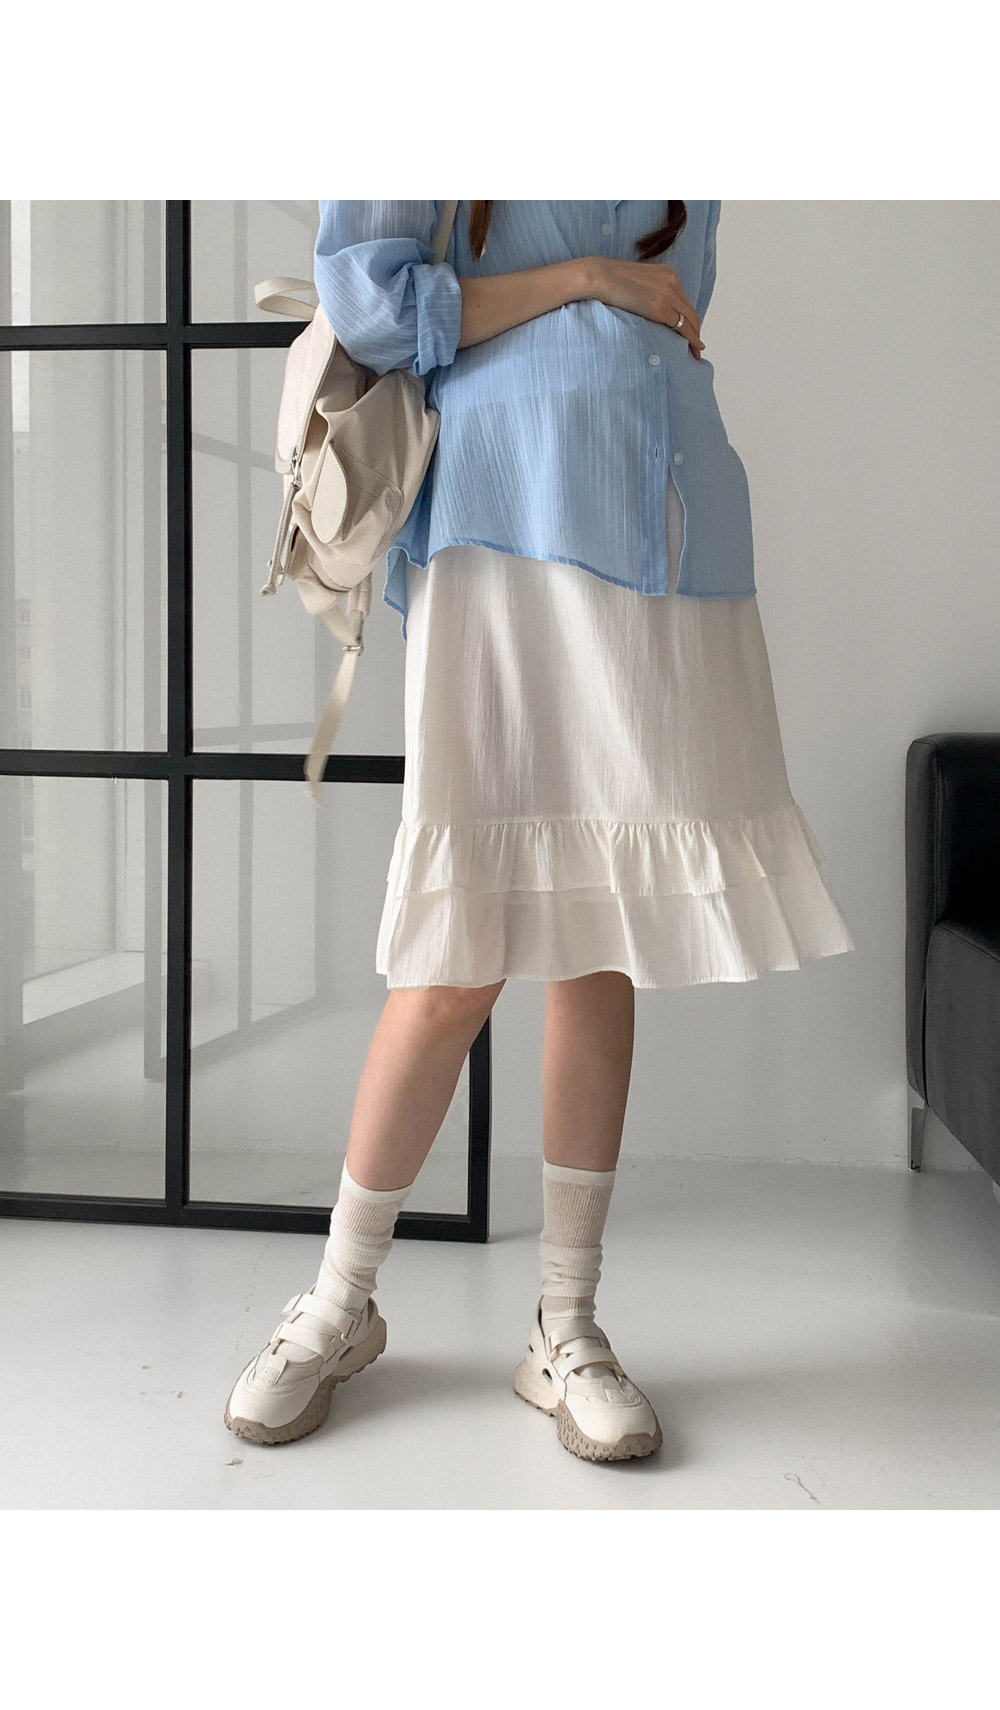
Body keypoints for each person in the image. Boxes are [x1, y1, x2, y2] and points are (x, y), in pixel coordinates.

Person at [224, 200, 855, 1463]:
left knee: (598, 937)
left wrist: (607, 295)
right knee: (454, 956)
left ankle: (565, 1324)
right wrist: (582, 279)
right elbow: (370, 305)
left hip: (665, 519)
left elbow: (675, 300)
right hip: (499, 523)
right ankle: (338, 1305)